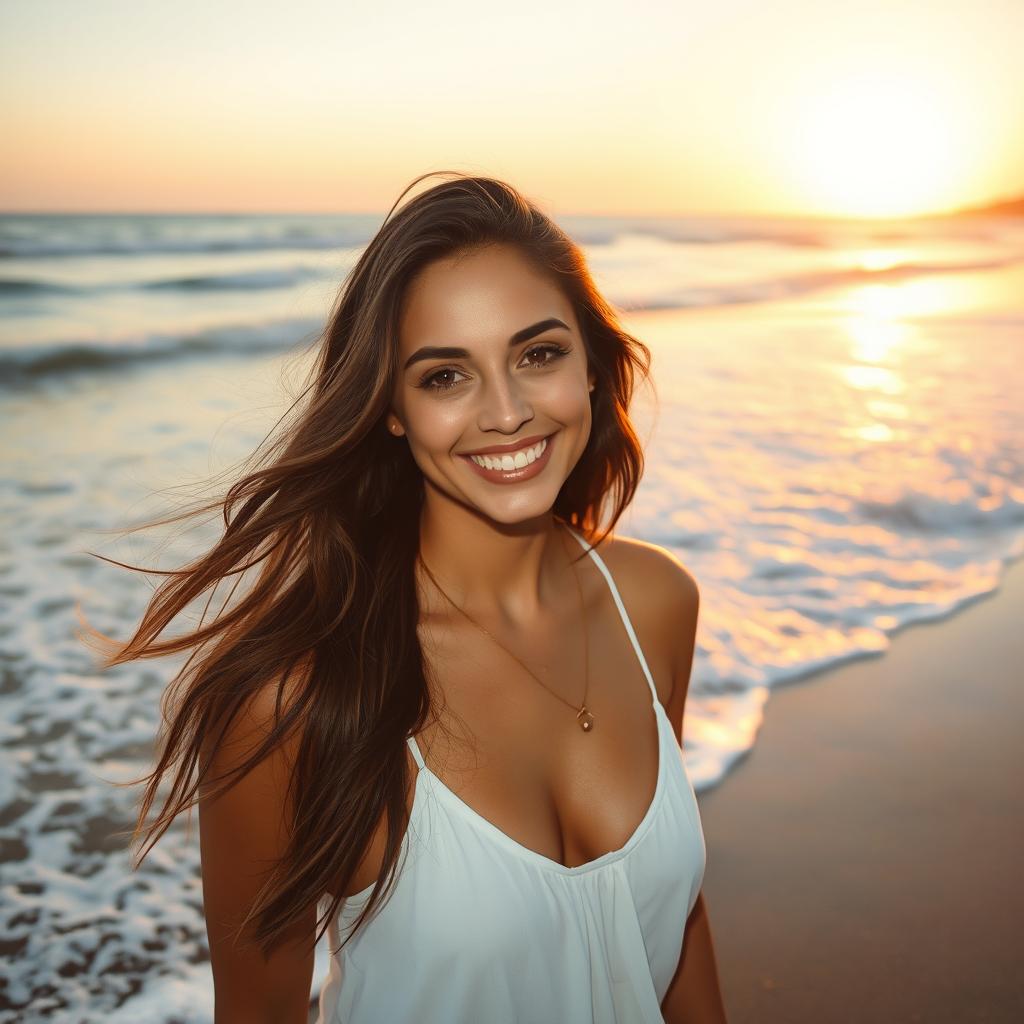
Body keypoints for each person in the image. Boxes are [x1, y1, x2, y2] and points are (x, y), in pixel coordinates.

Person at [99, 171, 727, 1022]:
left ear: (589, 365)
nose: (505, 413)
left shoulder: (654, 602)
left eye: (538, 354)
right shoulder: (290, 699)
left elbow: (672, 920)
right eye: (444, 376)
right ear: (390, 408)